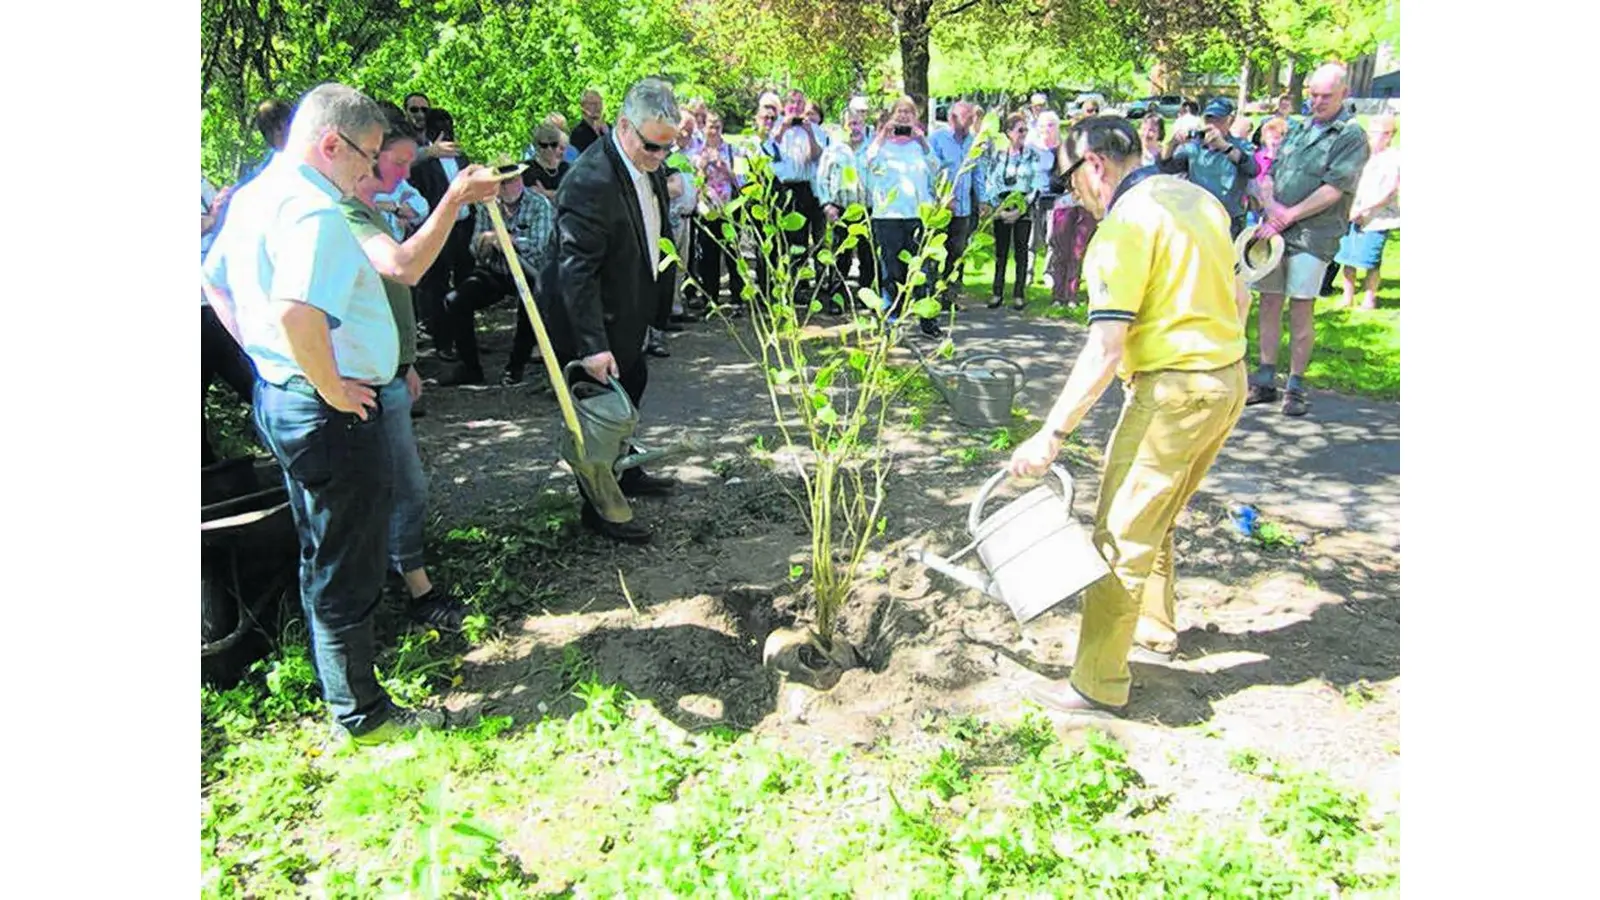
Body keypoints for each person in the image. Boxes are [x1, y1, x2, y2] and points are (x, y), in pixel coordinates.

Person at [201, 83, 440, 744]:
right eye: (366, 156)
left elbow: (213, 278)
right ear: (331, 143)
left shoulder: (254, 196)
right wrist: (330, 385)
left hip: (283, 398)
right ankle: (362, 714)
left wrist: (267, 360)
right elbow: (296, 312)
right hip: (328, 415)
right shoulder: (314, 211)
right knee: (347, 564)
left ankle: (340, 687)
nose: (370, 172)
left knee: (320, 549)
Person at [1006, 115, 1249, 714]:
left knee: (1119, 534)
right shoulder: (1198, 200)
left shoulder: (1124, 226)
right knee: (1157, 514)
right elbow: (1241, 295)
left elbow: (1105, 348)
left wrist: (1051, 434)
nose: (1073, 195)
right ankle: (1154, 628)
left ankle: (1096, 683)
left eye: (1070, 180)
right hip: (1228, 380)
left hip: (1174, 394)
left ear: (1093, 164)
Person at [339, 103, 500, 629]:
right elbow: (402, 269)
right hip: (358, 382)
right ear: (369, 157)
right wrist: (454, 199)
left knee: (395, 487)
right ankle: (415, 591)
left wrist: (406, 361)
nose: (406, 173)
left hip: (387, 372)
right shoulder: (345, 214)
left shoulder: (372, 211)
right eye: (399, 162)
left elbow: (385, 301)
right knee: (402, 488)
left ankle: (394, 576)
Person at [537, 77, 683, 545]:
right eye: (652, 146)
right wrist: (593, 347)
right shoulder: (590, 181)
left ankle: (625, 471)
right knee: (598, 415)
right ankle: (601, 507)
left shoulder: (645, 162)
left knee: (632, 385)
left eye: (667, 148)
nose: (659, 157)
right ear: (623, 126)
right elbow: (575, 272)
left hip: (629, 307)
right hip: (592, 318)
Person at [1247, 63, 1370, 417]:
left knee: (1301, 306)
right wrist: (1271, 206)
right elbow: (1271, 174)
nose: (1317, 102)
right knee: (1269, 301)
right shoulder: (1299, 129)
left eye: (1325, 96)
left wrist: (1288, 215)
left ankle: (1296, 385)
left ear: (1344, 93)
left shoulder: (1350, 136)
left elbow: (1334, 189)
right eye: (1313, 95)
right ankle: (1266, 377)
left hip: (1313, 235)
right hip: (1275, 230)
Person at [444, 170, 559, 386]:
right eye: (501, 182)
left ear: (521, 179)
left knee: (530, 303)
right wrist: (487, 242)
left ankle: (516, 367)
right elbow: (474, 248)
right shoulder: (487, 205)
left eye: (511, 181)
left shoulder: (539, 204)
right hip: (495, 271)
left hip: (529, 272)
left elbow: (539, 246)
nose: (506, 187)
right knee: (455, 300)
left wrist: (505, 239)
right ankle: (470, 368)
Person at [864, 97, 943, 338]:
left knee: (920, 269)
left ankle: (927, 321)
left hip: (916, 215)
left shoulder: (920, 145)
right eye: (899, 112)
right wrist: (882, 135)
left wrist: (922, 140)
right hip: (888, 215)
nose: (904, 116)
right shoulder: (881, 145)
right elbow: (868, 163)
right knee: (891, 270)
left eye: (909, 112)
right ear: (891, 116)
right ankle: (891, 319)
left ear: (915, 118)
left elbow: (935, 168)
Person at [409, 107, 477, 369]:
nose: (445, 131)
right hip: (439, 229)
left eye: (448, 125)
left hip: (464, 226)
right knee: (437, 286)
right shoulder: (422, 159)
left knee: (466, 284)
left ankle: (466, 339)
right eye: (439, 127)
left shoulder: (461, 156)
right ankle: (443, 341)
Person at [1165, 99, 1259, 237]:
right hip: (1199, 217)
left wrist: (1224, 147)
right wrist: (1173, 142)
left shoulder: (1241, 146)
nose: (1212, 125)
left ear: (1230, 121)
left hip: (1229, 220)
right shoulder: (1194, 147)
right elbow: (1165, 166)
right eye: (1209, 119)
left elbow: (1253, 169)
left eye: (1218, 120)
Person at [1334, 114, 1399, 310]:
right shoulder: (1361, 155)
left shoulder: (1394, 158)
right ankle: (1347, 297)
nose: (1371, 137)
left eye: (1376, 133)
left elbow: (1390, 191)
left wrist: (1364, 210)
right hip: (1351, 214)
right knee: (1347, 257)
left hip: (1377, 218)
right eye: (1369, 132)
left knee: (1371, 260)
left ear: (1389, 135)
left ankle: (1369, 298)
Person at [813, 105, 876, 307]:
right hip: (841, 209)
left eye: (858, 123)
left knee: (868, 256)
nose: (854, 128)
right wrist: (826, 205)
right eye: (850, 124)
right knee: (841, 256)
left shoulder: (873, 148)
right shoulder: (834, 149)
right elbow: (821, 179)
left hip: (867, 209)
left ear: (864, 124)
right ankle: (837, 299)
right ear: (843, 126)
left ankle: (865, 298)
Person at [983, 113, 1046, 310]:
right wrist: (998, 208)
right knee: (1001, 253)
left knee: (1021, 251)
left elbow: (1037, 184)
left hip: (1022, 208)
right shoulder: (998, 156)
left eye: (1025, 130)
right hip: (1002, 207)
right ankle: (997, 293)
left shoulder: (1032, 155)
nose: (1023, 134)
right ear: (1009, 132)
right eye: (1020, 130)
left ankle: (1019, 294)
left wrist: (1020, 209)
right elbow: (990, 181)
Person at [691, 111, 749, 311]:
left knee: (733, 254)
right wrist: (702, 167)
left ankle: (737, 298)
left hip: (730, 208)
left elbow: (742, 181)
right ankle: (711, 299)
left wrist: (726, 169)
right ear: (704, 128)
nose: (714, 131)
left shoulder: (734, 150)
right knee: (708, 255)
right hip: (707, 209)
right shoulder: (697, 151)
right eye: (710, 126)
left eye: (717, 127)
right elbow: (693, 182)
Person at [929, 100, 983, 313]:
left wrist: (983, 199)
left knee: (957, 254)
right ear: (953, 118)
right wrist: (943, 197)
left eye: (972, 118)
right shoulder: (937, 139)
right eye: (967, 118)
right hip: (941, 209)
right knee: (934, 253)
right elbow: (931, 171)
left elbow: (977, 172)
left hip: (963, 209)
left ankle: (950, 297)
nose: (971, 122)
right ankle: (930, 296)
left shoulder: (973, 141)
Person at [1027, 111, 1063, 285]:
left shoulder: (1062, 150)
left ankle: (1049, 271)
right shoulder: (1031, 147)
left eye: (1050, 125)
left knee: (1052, 236)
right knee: (1031, 237)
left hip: (1055, 196)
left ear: (1057, 127)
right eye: (1042, 125)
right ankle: (1028, 271)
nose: (1046, 129)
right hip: (1034, 196)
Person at [521, 122, 571, 200]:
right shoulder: (526, 169)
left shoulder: (566, 167)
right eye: (544, 145)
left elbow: (572, 195)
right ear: (537, 146)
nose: (549, 149)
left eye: (553, 144)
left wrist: (545, 192)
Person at [570, 89, 610, 153]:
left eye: (600, 103)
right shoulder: (578, 134)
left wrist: (607, 133)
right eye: (593, 104)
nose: (598, 107)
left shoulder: (608, 128)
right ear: (583, 107)